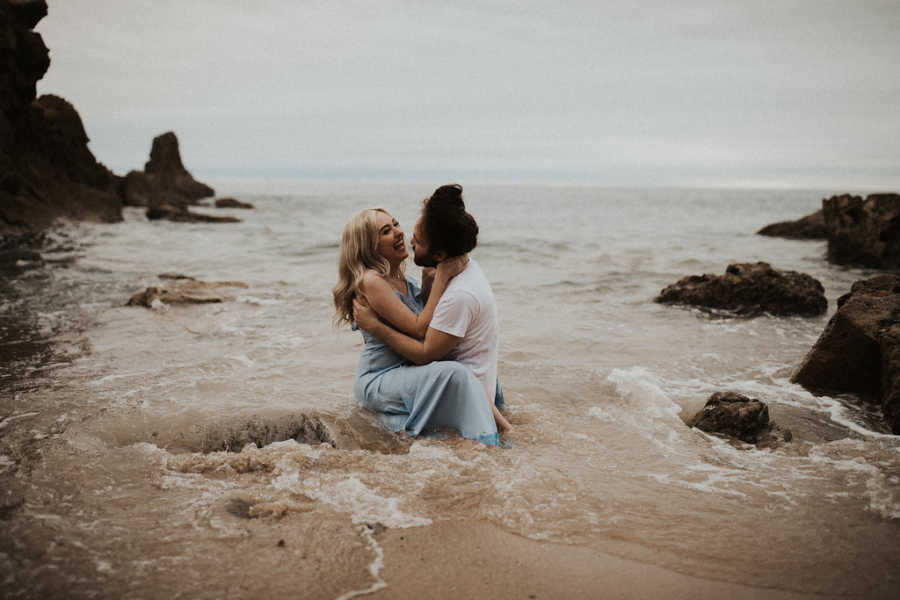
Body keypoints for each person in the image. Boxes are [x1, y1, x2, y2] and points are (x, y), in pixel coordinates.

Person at [333, 205, 501, 445]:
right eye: (386, 231)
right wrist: (442, 276)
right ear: (369, 245)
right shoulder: (371, 281)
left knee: (476, 370)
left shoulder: (404, 280)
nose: (399, 232)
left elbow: (422, 325)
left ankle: (493, 427)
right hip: (381, 377)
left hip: (408, 370)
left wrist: (425, 288)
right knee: (455, 374)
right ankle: (488, 440)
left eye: (396, 224)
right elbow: (419, 329)